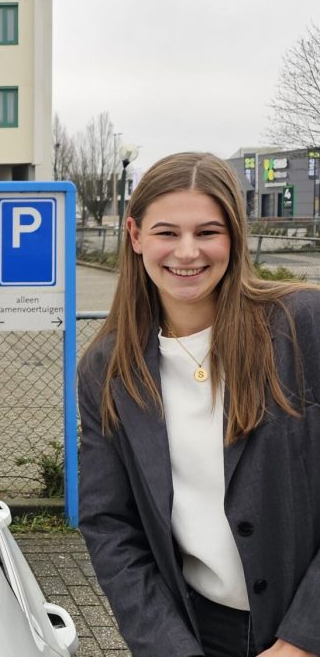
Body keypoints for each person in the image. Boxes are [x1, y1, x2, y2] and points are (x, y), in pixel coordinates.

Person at [77, 152, 320, 657]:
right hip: (199, 634)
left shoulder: (302, 326)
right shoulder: (107, 370)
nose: (187, 252)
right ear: (135, 235)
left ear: (234, 236)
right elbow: (110, 526)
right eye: (167, 232)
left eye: (207, 232)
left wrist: (302, 638)